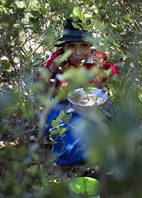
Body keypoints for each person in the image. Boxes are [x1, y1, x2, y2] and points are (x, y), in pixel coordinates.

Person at [44, 18, 118, 165]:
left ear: (91, 45)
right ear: (64, 47)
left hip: (95, 107)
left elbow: (111, 81)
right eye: (71, 46)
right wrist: (52, 71)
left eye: (84, 46)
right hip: (63, 108)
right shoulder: (58, 60)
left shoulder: (100, 59)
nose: (78, 53)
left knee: (124, 120)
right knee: (71, 142)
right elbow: (43, 91)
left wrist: (104, 90)